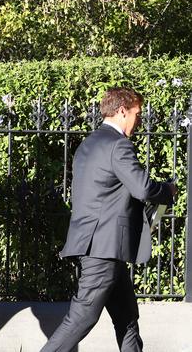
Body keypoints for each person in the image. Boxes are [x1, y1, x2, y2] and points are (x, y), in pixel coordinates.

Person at [41, 87, 176, 352]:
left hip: (101, 246)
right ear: (122, 111)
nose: (139, 120)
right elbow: (143, 188)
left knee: (127, 317)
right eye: (137, 113)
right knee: (82, 317)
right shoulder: (118, 145)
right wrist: (167, 191)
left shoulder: (89, 143)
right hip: (102, 249)